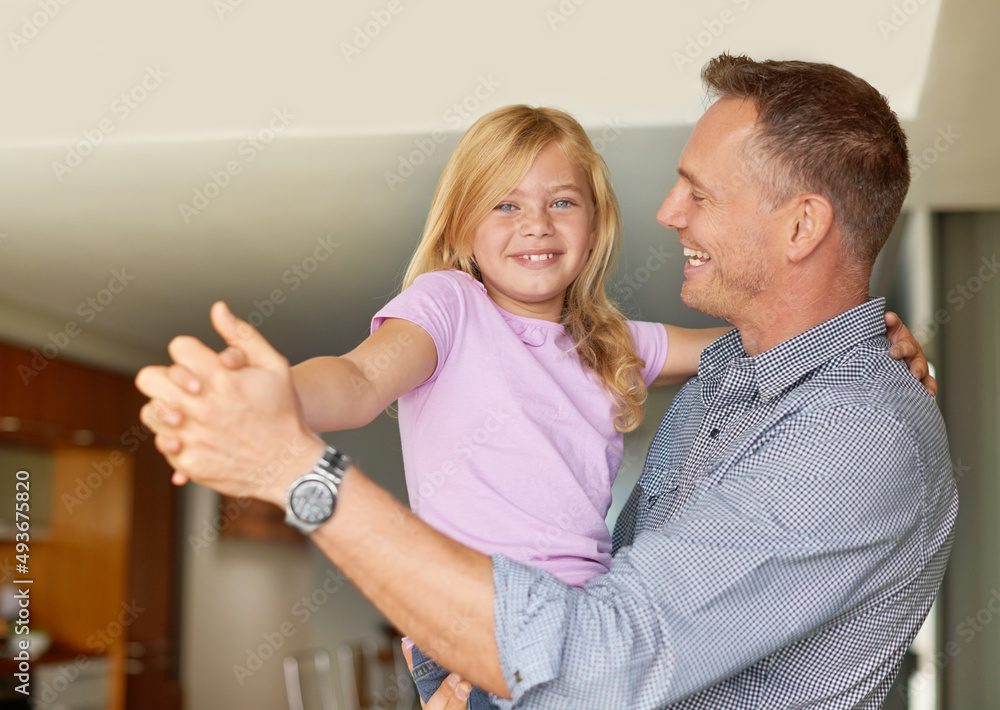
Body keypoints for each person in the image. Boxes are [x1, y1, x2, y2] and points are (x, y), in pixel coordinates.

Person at [137, 53, 954, 709]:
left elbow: (600, 663)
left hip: (536, 659)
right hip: (492, 653)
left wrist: (290, 468)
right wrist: (280, 398)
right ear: (460, 225)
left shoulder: (855, 431)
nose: (669, 212)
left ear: (802, 226)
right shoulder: (722, 380)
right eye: (503, 206)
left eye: (698, 193)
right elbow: (357, 378)